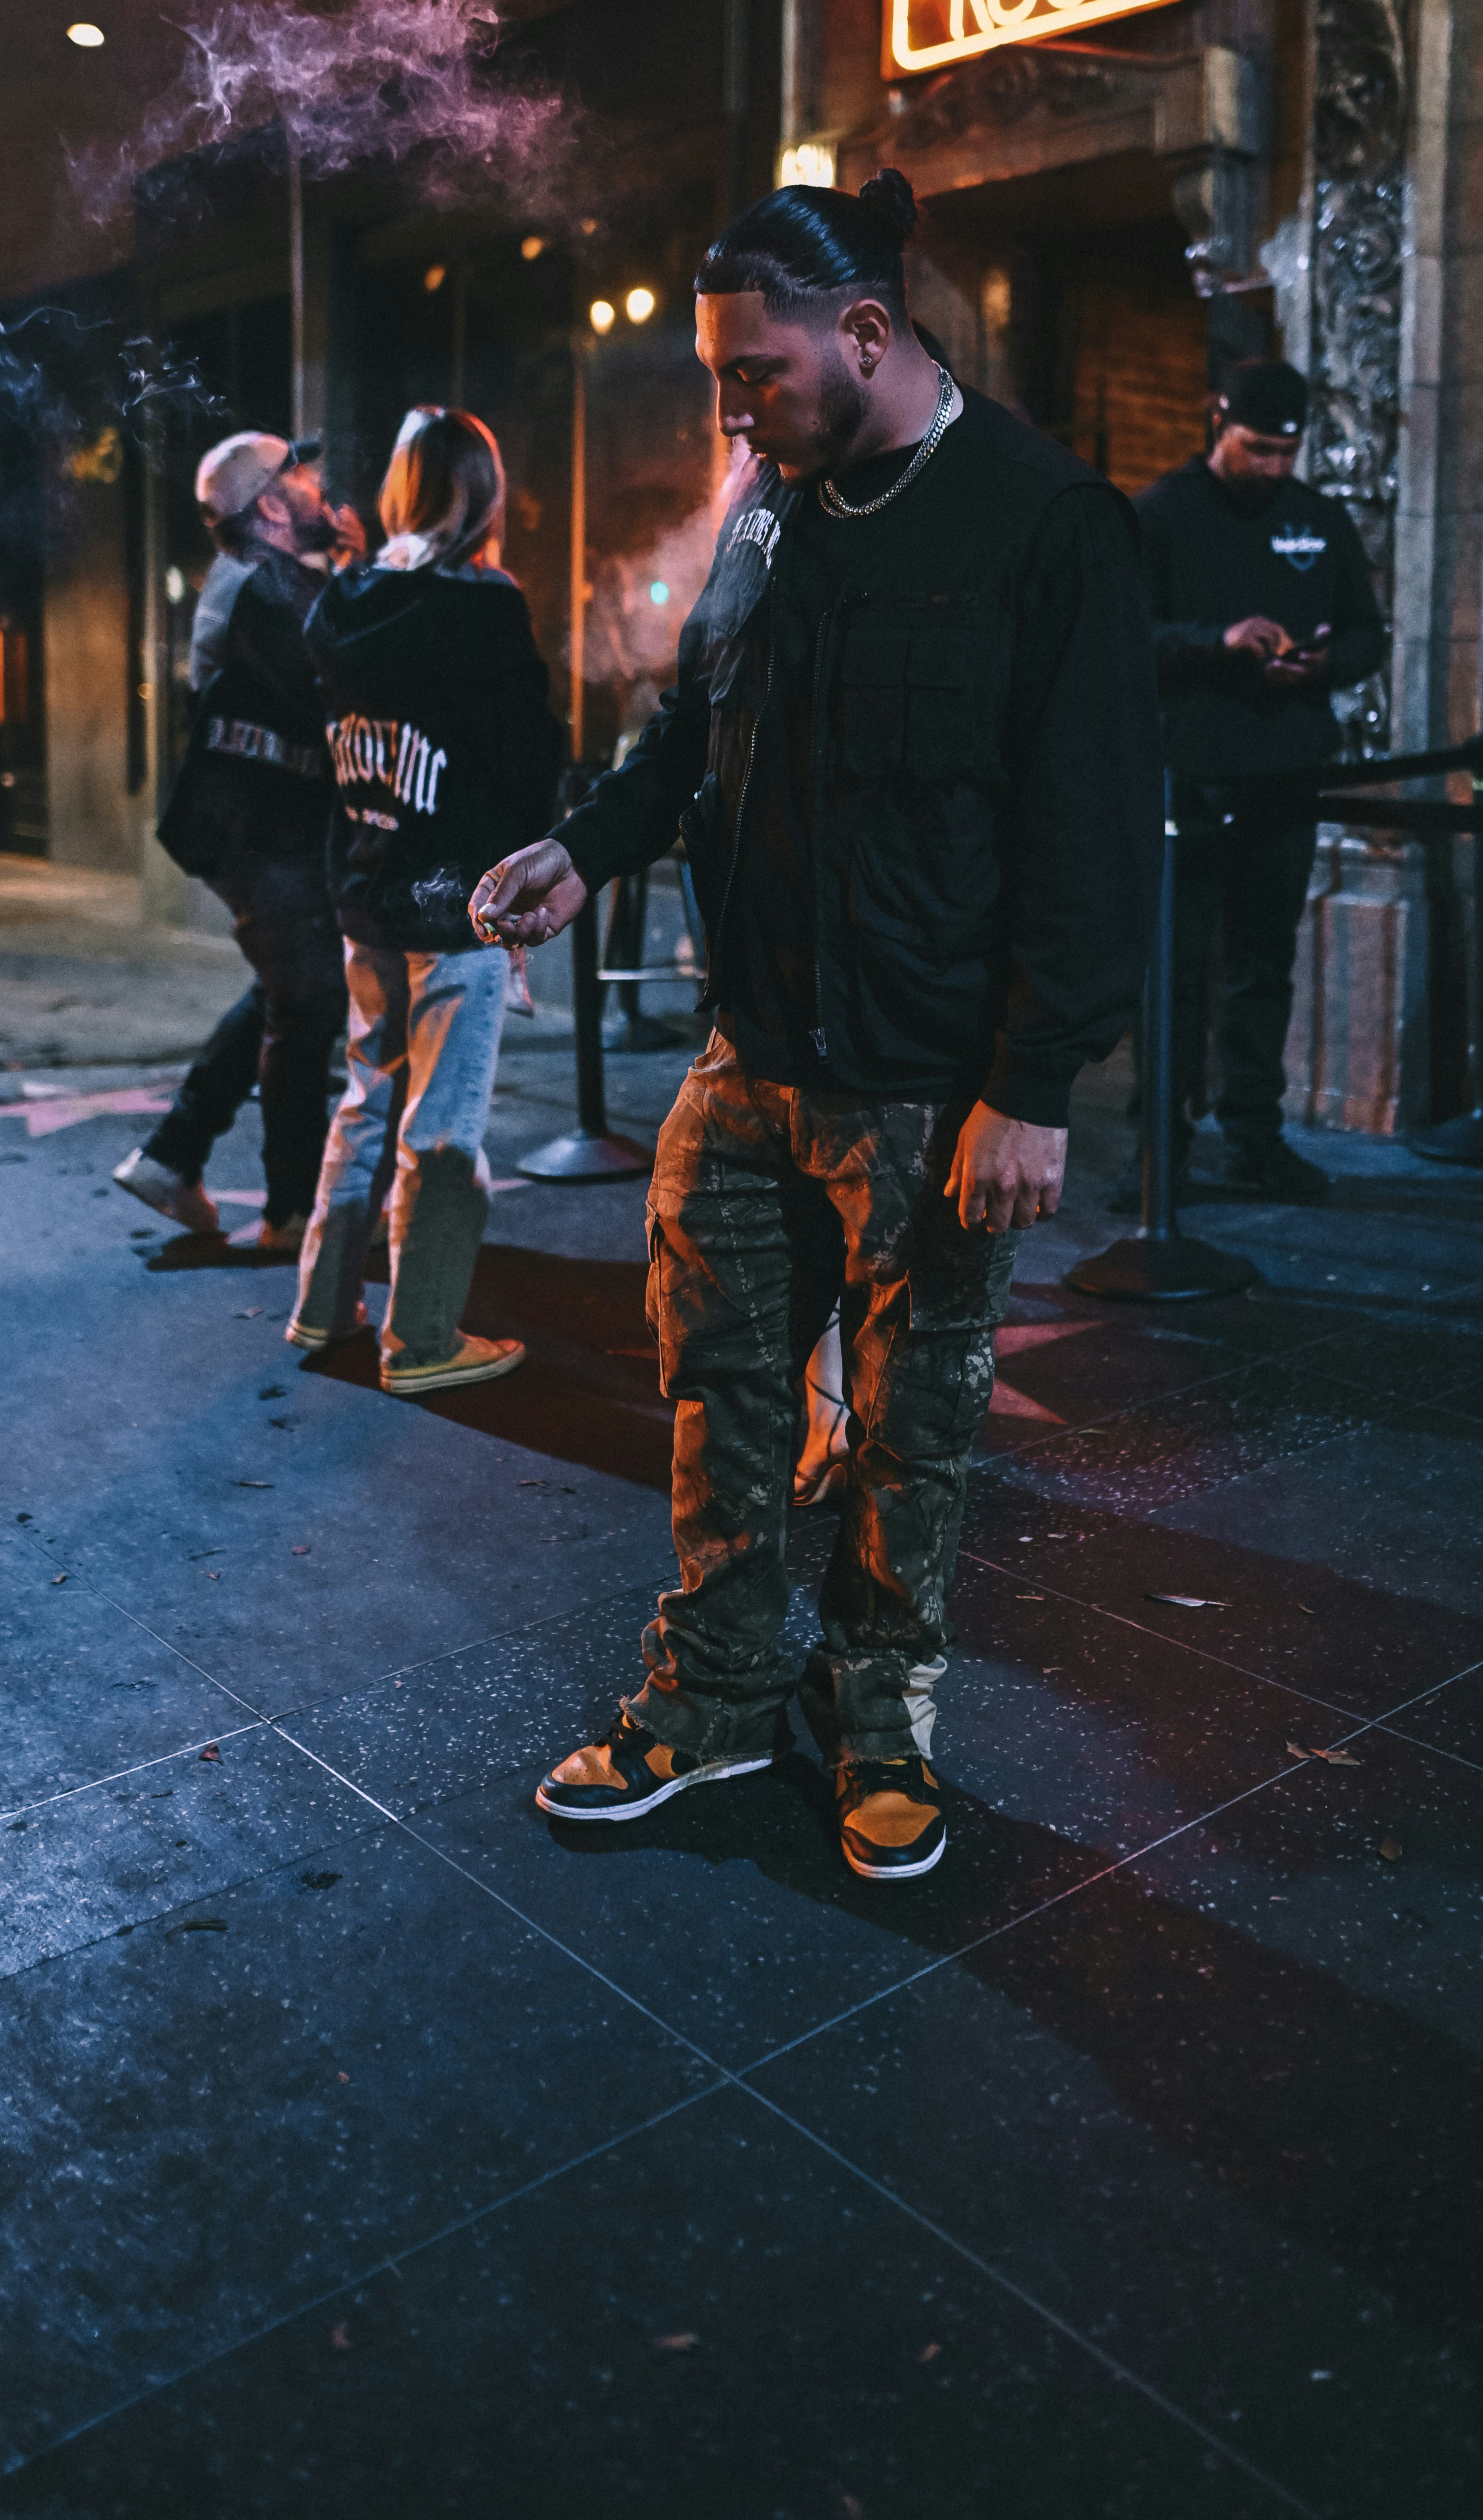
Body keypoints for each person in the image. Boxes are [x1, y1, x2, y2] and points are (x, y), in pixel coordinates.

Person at [470, 169, 1158, 1884]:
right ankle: (711, 1696)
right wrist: (584, 845)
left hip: (927, 1081)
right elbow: (689, 733)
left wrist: (1031, 1084)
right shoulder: (771, 508)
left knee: (911, 1427)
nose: (731, 412)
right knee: (720, 1394)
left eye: (752, 375)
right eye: (719, 380)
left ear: (863, 332)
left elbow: (1089, 831)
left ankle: (880, 1723)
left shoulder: (1045, 519)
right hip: (749, 1052)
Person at [289, 406, 562, 1396]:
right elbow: (530, 759)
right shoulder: (485, 610)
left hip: (368, 879)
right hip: (457, 901)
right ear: (483, 495)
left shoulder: (344, 601)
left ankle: (324, 1305)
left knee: (367, 1099)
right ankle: (423, 1339)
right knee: (442, 1126)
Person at [1133, 354, 1385, 1206]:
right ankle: (1159, 1148)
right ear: (1219, 423)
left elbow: (1367, 633)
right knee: (1175, 972)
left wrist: (1322, 664)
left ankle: (1253, 1136)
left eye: (1286, 451)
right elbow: (1124, 635)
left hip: (1285, 772)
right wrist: (1219, 642)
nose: (1273, 467)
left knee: (1262, 964)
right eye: (1257, 448)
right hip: (1189, 776)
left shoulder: (1317, 518)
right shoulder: (1161, 514)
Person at [114, 432, 354, 1253]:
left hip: (261, 830)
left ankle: (172, 1155)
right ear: (272, 505)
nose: (316, 483)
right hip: (264, 834)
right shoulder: (262, 589)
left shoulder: (261, 577)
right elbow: (339, 680)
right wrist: (370, 574)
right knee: (305, 1006)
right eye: (299, 473)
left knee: (291, 992)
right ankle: (291, 1213)